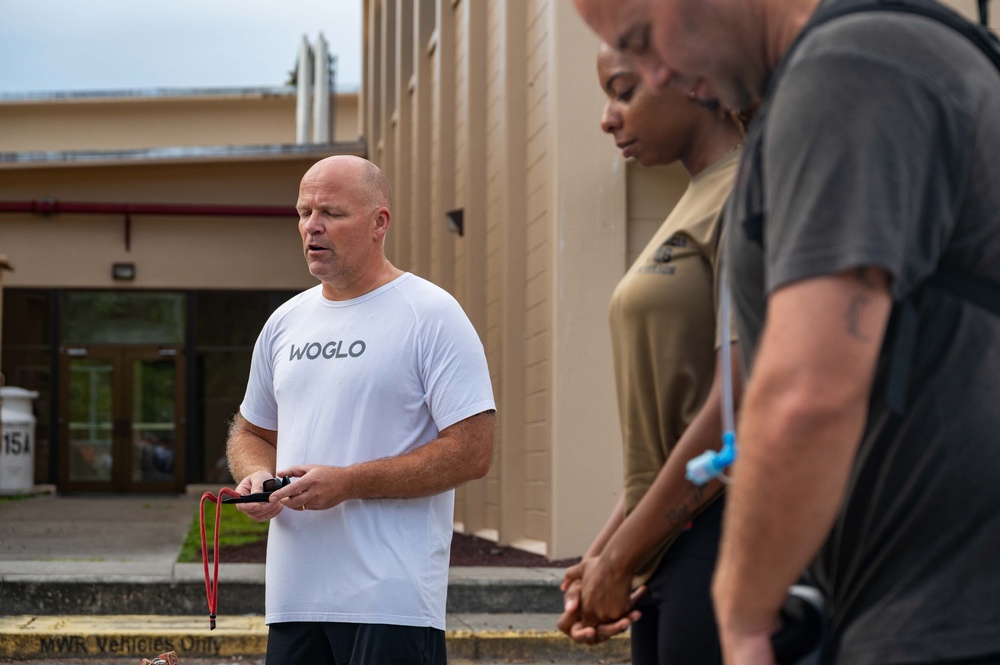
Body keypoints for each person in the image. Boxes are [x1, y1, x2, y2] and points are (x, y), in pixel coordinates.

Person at [572, 0, 1000, 664]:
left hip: (941, 615)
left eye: (643, 43)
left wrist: (742, 617)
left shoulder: (847, 70)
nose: (658, 76)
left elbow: (806, 390)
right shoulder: (866, 62)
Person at [226, 155, 497, 665]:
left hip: (390, 602)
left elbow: (472, 452)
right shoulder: (285, 322)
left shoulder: (431, 314)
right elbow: (251, 432)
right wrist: (257, 476)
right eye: (304, 212)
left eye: (331, 212)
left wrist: (349, 482)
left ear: (379, 222)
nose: (312, 226)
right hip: (293, 600)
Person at [556, 42, 745, 664]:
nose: (608, 117)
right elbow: (663, 439)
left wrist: (623, 554)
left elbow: (736, 408)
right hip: (672, 540)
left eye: (623, 90)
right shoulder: (692, 199)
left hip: (727, 533)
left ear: (694, 78)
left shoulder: (749, 193)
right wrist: (603, 556)